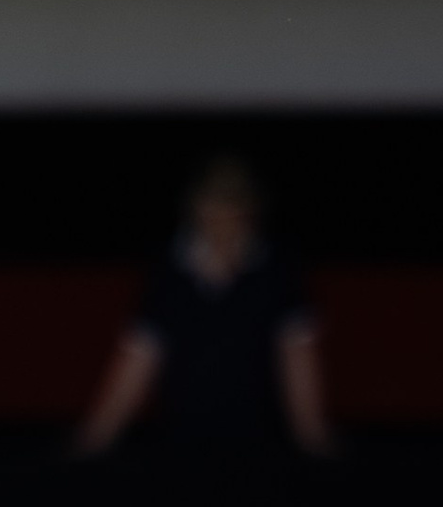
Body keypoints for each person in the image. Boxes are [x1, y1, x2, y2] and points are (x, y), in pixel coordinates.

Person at [74, 156, 333, 460]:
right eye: (214, 202)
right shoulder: (169, 273)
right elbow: (136, 363)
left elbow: (298, 363)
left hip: (261, 446)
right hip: (181, 446)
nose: (223, 215)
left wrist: (315, 440)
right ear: (195, 206)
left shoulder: (277, 271)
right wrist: (92, 442)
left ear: (251, 209)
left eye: (234, 203)